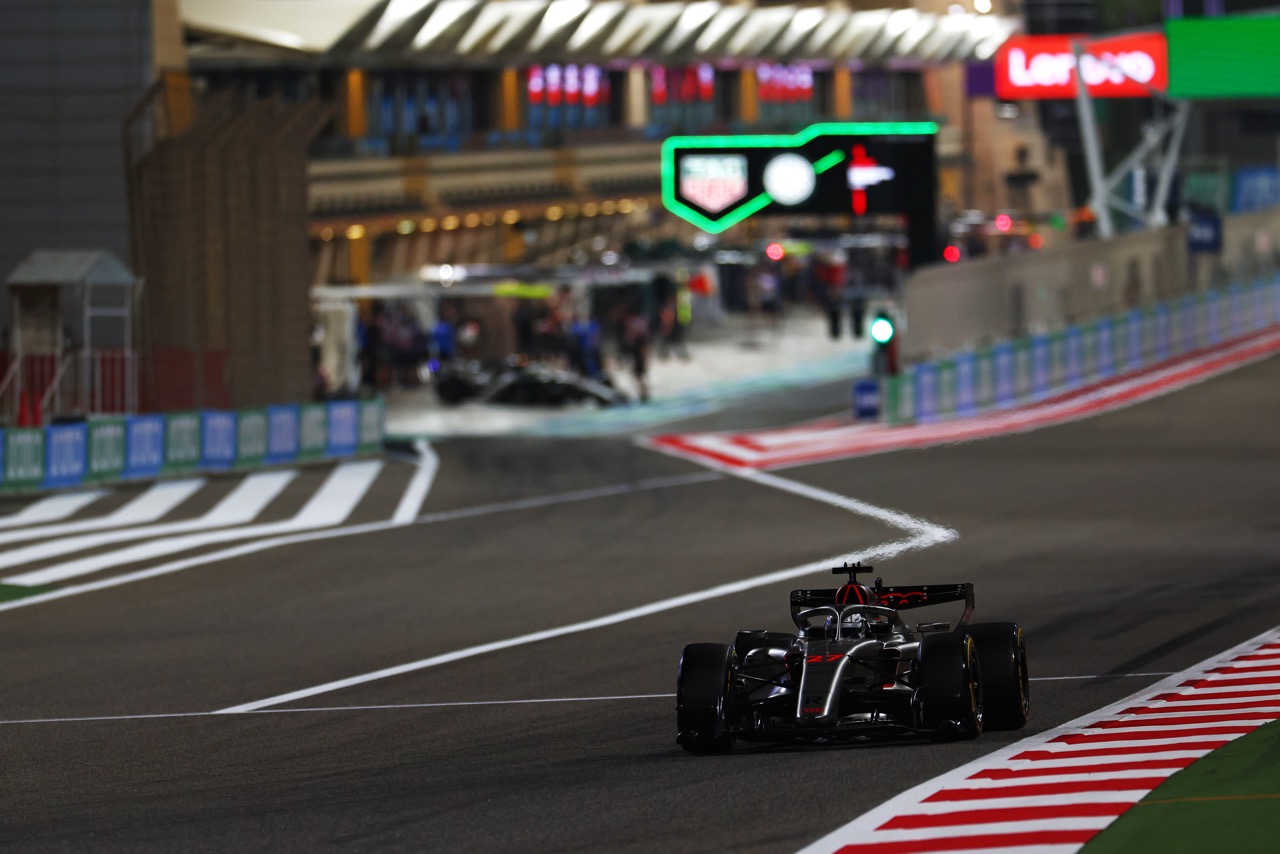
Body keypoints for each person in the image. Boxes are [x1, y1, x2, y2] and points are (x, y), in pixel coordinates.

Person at [623, 305, 651, 402]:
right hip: (637, 354)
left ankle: (644, 393)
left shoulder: (634, 324)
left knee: (639, 374)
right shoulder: (639, 323)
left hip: (638, 355)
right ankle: (643, 393)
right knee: (638, 375)